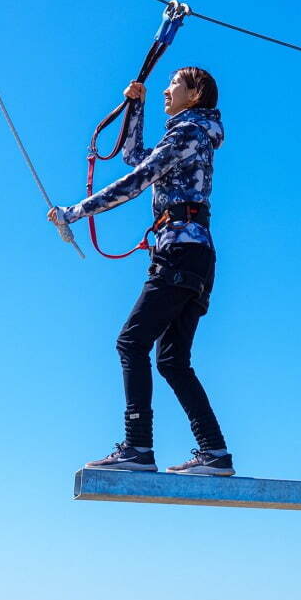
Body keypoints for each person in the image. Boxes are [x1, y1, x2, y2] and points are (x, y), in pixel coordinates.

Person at [47, 67, 233, 476]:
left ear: (196, 93)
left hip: (179, 254)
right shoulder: (190, 132)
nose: (168, 90)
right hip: (195, 256)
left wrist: (75, 212)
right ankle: (215, 453)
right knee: (172, 360)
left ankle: (138, 447)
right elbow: (136, 156)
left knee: (131, 344)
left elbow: (137, 178)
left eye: (175, 85)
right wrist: (137, 107)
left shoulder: (188, 133)